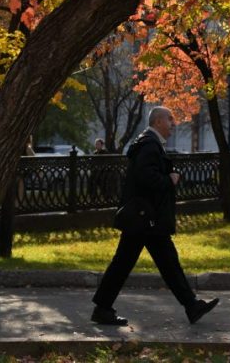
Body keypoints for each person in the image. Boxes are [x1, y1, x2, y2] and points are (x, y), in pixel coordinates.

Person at [91, 106, 219, 326]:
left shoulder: (148, 143)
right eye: (170, 119)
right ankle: (191, 305)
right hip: (146, 219)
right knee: (141, 263)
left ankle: (191, 305)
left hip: (146, 219)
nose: (173, 123)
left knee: (160, 262)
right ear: (159, 121)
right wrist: (169, 180)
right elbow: (145, 177)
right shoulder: (150, 145)